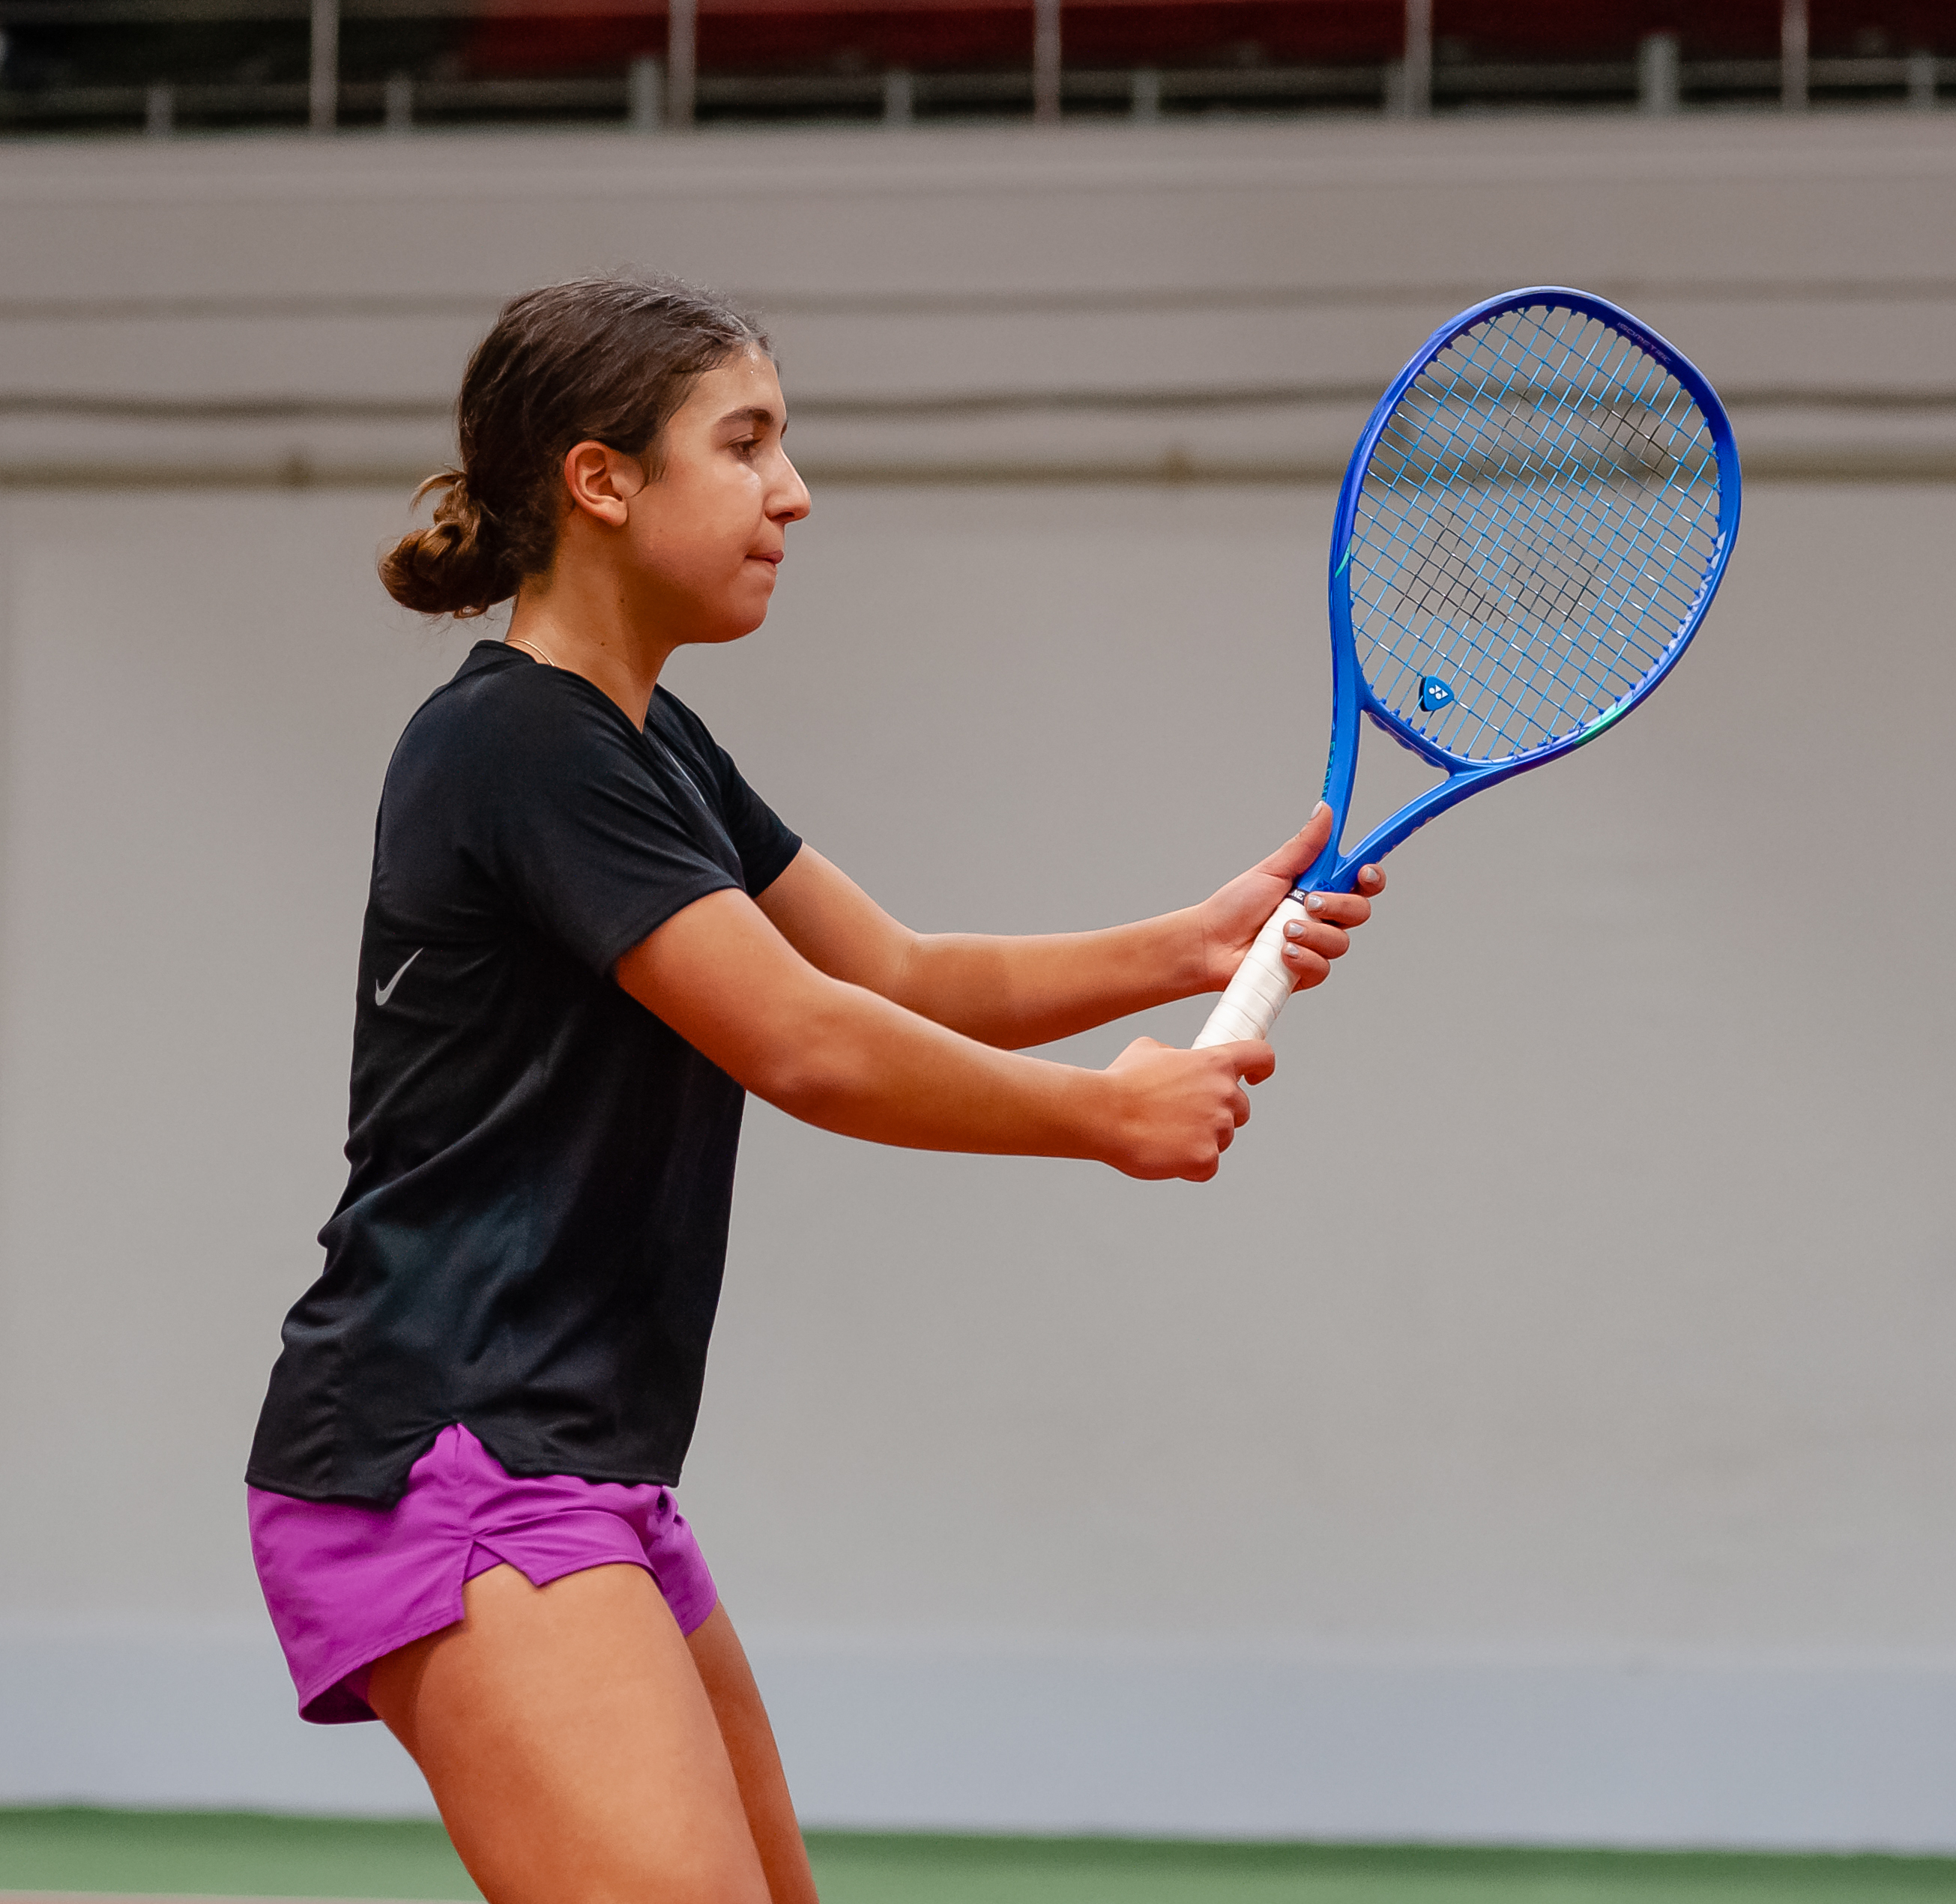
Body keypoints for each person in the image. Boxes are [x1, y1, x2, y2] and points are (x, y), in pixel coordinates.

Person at [245, 274, 1384, 1904]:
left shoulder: (655, 744)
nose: (792, 491)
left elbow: (894, 972)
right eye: (746, 443)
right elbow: (803, 1042)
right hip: (444, 1448)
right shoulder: (518, 747)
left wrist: (1190, 944)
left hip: (578, 1457)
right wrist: (1099, 1115)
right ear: (601, 479)